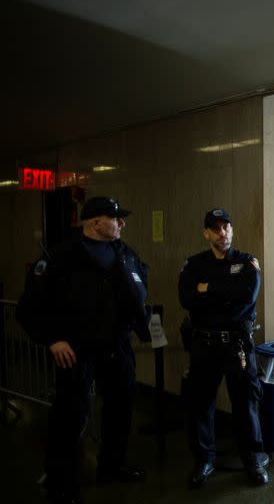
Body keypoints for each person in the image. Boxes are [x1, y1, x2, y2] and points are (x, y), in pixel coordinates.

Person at [16, 196, 150, 504]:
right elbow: (28, 309)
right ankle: (59, 482)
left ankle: (111, 466)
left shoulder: (124, 252)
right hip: (75, 349)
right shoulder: (58, 257)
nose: (122, 223)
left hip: (116, 346)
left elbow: (142, 280)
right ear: (94, 223)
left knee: (120, 409)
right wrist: (53, 339)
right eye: (116, 218)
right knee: (70, 415)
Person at [178, 208, 268, 488]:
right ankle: (204, 461)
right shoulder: (193, 265)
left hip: (237, 346)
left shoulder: (247, 262)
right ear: (206, 233)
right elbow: (186, 299)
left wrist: (208, 289)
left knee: (245, 404)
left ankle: (253, 459)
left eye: (227, 227)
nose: (222, 232)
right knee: (201, 405)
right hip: (205, 345)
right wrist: (224, 290)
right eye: (216, 228)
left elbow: (246, 296)